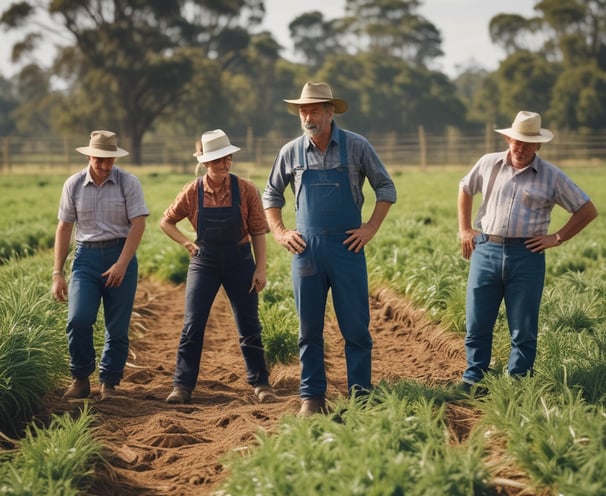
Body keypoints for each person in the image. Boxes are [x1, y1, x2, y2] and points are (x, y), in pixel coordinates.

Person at [262, 81, 397, 417]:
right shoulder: (290, 152)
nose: (307, 115)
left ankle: (360, 395)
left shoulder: (356, 147)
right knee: (309, 328)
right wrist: (279, 232)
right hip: (306, 249)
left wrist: (369, 228)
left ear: (330, 111)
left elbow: (386, 188)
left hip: (346, 247)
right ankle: (312, 397)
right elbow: (271, 196)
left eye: (314, 109)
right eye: (303, 110)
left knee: (355, 326)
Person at [457, 110, 598, 393]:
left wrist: (557, 237)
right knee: (477, 321)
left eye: (528, 143)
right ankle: (474, 378)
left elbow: (587, 209)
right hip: (486, 248)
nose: (520, 148)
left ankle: (518, 384)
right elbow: (465, 188)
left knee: (523, 327)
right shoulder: (488, 163)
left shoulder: (551, 176)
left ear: (539, 145)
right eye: (516, 142)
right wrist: (464, 229)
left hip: (527, 255)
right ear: (508, 139)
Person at [161, 129, 276, 404]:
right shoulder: (192, 191)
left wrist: (260, 269)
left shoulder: (246, 188)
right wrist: (187, 244)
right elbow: (166, 221)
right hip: (205, 261)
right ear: (205, 163)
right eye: (218, 160)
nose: (224, 164)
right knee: (193, 323)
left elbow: (259, 231)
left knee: (249, 323)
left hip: (240, 259)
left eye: (228, 158)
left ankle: (260, 383)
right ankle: (182, 385)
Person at [52, 130, 149, 401]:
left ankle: (109, 383)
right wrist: (57, 272)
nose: (106, 167)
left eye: (110, 161)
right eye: (100, 161)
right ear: (90, 156)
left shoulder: (128, 183)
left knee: (117, 327)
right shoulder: (72, 184)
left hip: (122, 254)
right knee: (78, 319)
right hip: (86, 258)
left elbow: (139, 224)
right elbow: (64, 227)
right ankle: (81, 379)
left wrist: (121, 263)